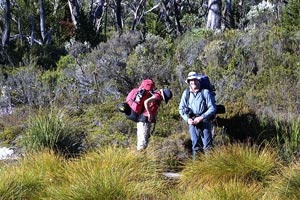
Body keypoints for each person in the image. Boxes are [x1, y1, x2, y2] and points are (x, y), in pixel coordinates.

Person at [179, 72, 216, 158]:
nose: (193, 82)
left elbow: (212, 108)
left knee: (208, 146)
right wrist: (187, 119)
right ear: (188, 82)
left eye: (195, 80)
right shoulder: (186, 93)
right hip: (192, 122)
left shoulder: (205, 92)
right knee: (195, 146)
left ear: (198, 80)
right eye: (191, 80)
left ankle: (210, 167)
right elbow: (181, 109)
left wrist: (201, 117)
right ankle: (196, 167)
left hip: (205, 121)